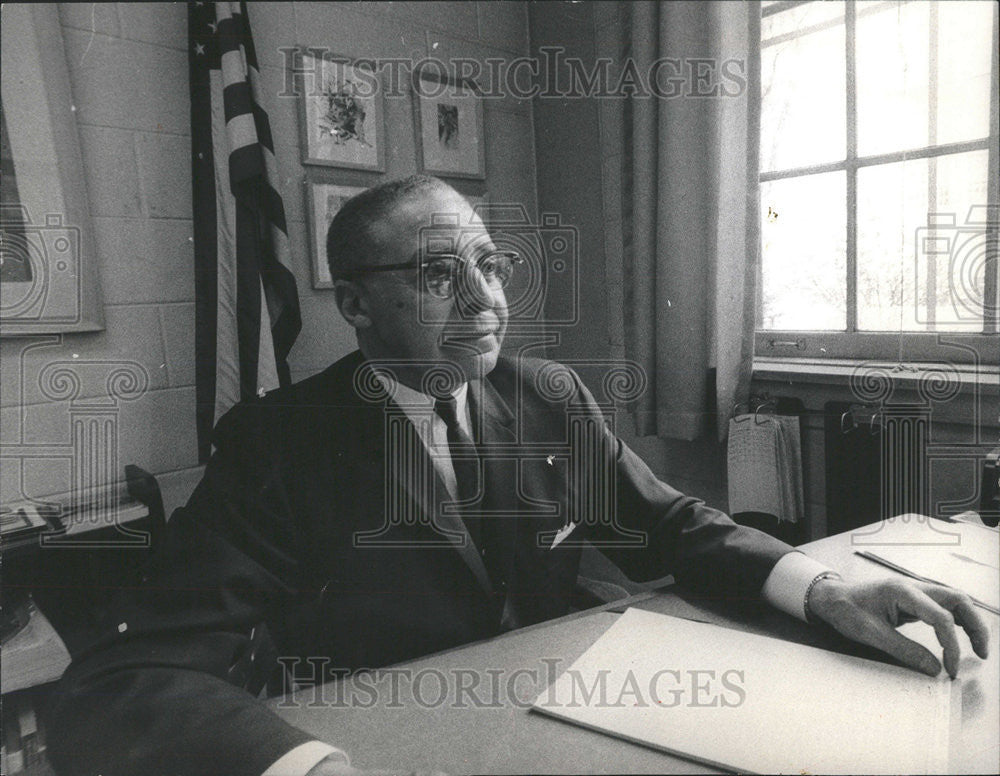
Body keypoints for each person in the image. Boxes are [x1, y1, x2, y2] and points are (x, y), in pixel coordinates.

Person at [47, 176, 989, 776]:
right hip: (392, 735)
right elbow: (133, 673)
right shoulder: (276, 442)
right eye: (438, 274)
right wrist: (308, 767)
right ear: (358, 306)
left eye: (490, 265)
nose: (487, 298)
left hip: (564, 719)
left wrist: (820, 587)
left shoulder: (546, 392)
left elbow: (670, 525)